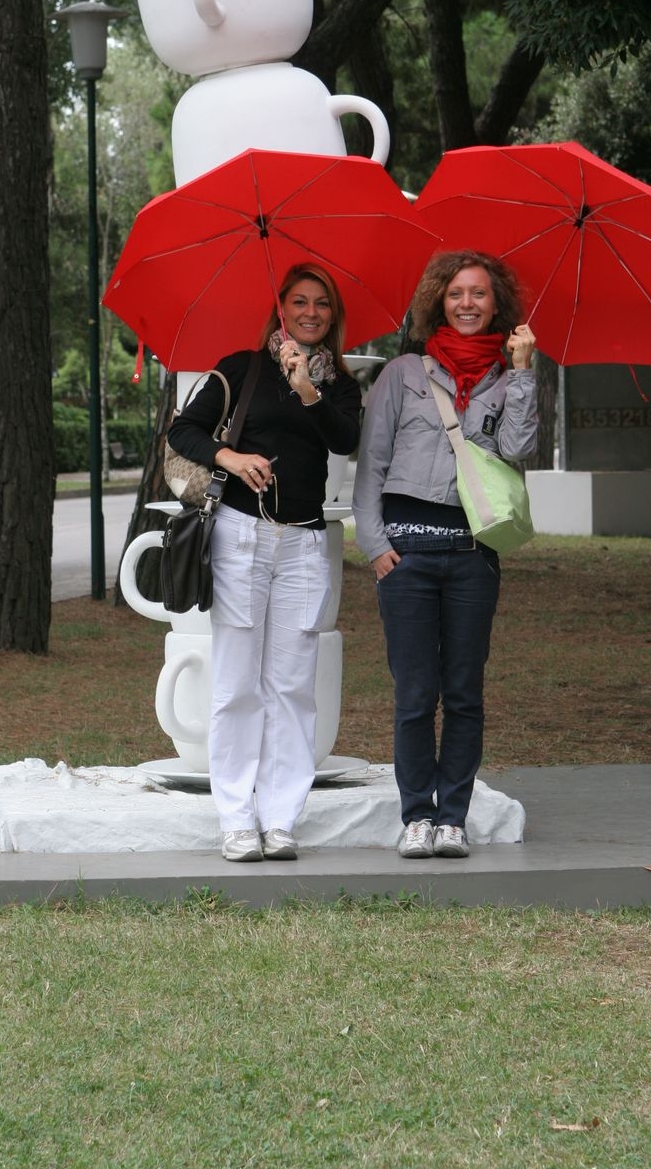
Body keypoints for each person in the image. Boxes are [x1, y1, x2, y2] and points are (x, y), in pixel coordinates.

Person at [167, 262, 362, 863]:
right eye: (299, 301)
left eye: (321, 304)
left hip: (303, 543)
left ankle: (280, 819)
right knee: (236, 685)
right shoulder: (242, 368)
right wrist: (230, 457)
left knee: (292, 687)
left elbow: (345, 440)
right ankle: (236, 819)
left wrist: (308, 390)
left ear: (333, 316)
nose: (310, 312)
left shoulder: (339, 384)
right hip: (241, 538)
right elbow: (184, 431)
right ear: (281, 308)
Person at [352, 249, 537, 859]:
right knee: (414, 695)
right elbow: (372, 464)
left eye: (478, 293)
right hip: (405, 559)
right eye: (456, 293)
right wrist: (375, 546)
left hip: (472, 557)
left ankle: (451, 817)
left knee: (463, 693)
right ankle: (416, 816)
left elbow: (518, 449)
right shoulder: (403, 373)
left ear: (496, 304)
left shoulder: (508, 379)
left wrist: (524, 372)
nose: (466, 303)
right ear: (438, 300)